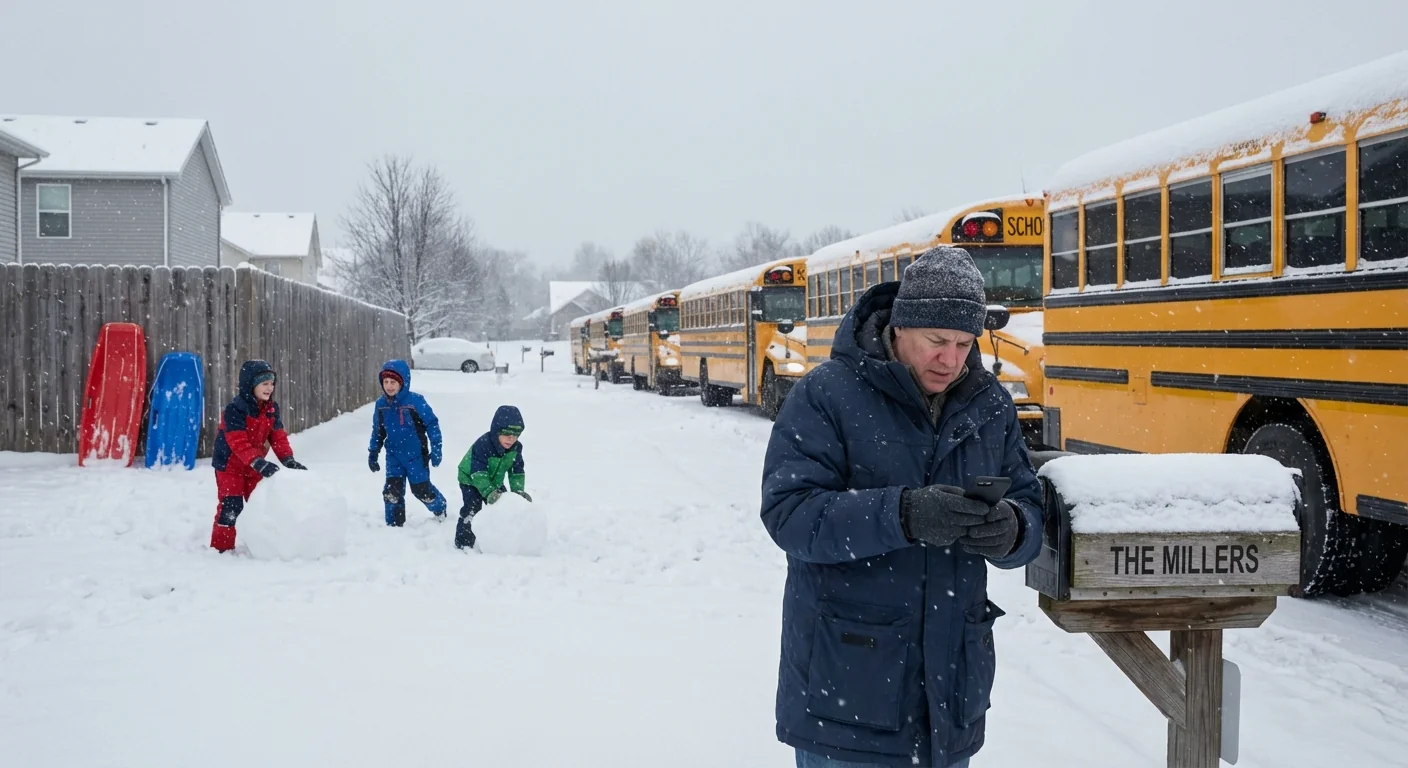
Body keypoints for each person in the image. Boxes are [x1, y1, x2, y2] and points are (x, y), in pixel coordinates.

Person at [759, 245, 1044, 768]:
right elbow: (790, 513)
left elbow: (1028, 502)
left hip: (951, 696)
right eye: (937, 341)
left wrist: (1013, 530)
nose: (951, 359)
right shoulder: (828, 394)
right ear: (900, 327)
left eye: (964, 343)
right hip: (849, 691)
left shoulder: (990, 404)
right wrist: (904, 515)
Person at [210, 360, 308, 552]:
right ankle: (221, 548)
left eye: (272, 383)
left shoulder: (271, 409)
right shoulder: (235, 410)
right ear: (250, 385)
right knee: (231, 506)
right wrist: (257, 462)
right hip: (229, 466)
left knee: (263, 504)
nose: (270, 388)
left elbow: (277, 435)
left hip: (253, 464)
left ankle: (268, 544)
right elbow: (238, 442)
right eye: (265, 383)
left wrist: (287, 459)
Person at [367, 360, 447, 526]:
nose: (389, 386)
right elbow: (378, 431)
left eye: (393, 382)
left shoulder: (415, 402)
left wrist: (437, 448)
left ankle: (440, 509)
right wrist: (373, 453)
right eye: (386, 382)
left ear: (402, 382)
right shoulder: (381, 405)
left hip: (416, 456)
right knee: (392, 492)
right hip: (394, 456)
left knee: (421, 490)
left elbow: (432, 424)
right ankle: (394, 526)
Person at [455, 405, 529, 550]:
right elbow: (478, 472)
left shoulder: (516, 449)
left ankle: (498, 537)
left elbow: (516, 470)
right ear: (496, 431)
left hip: (493, 479)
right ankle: (464, 542)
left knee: (501, 504)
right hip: (470, 479)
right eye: (507, 434)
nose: (511, 439)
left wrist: (518, 492)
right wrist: (489, 492)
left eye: (515, 435)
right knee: (473, 507)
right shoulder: (483, 445)